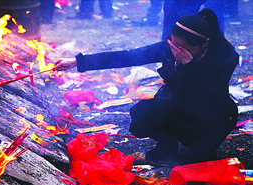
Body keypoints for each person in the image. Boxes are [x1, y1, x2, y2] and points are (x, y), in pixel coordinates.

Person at [55, 9, 238, 164]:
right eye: (173, 46)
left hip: (211, 110)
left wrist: (189, 67)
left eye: (183, 49)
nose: (176, 52)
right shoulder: (170, 46)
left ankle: (202, 149)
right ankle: (167, 146)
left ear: (204, 44)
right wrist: (77, 62)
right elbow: (127, 56)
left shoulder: (225, 56)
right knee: (147, 115)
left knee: (201, 155)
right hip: (179, 101)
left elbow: (211, 94)